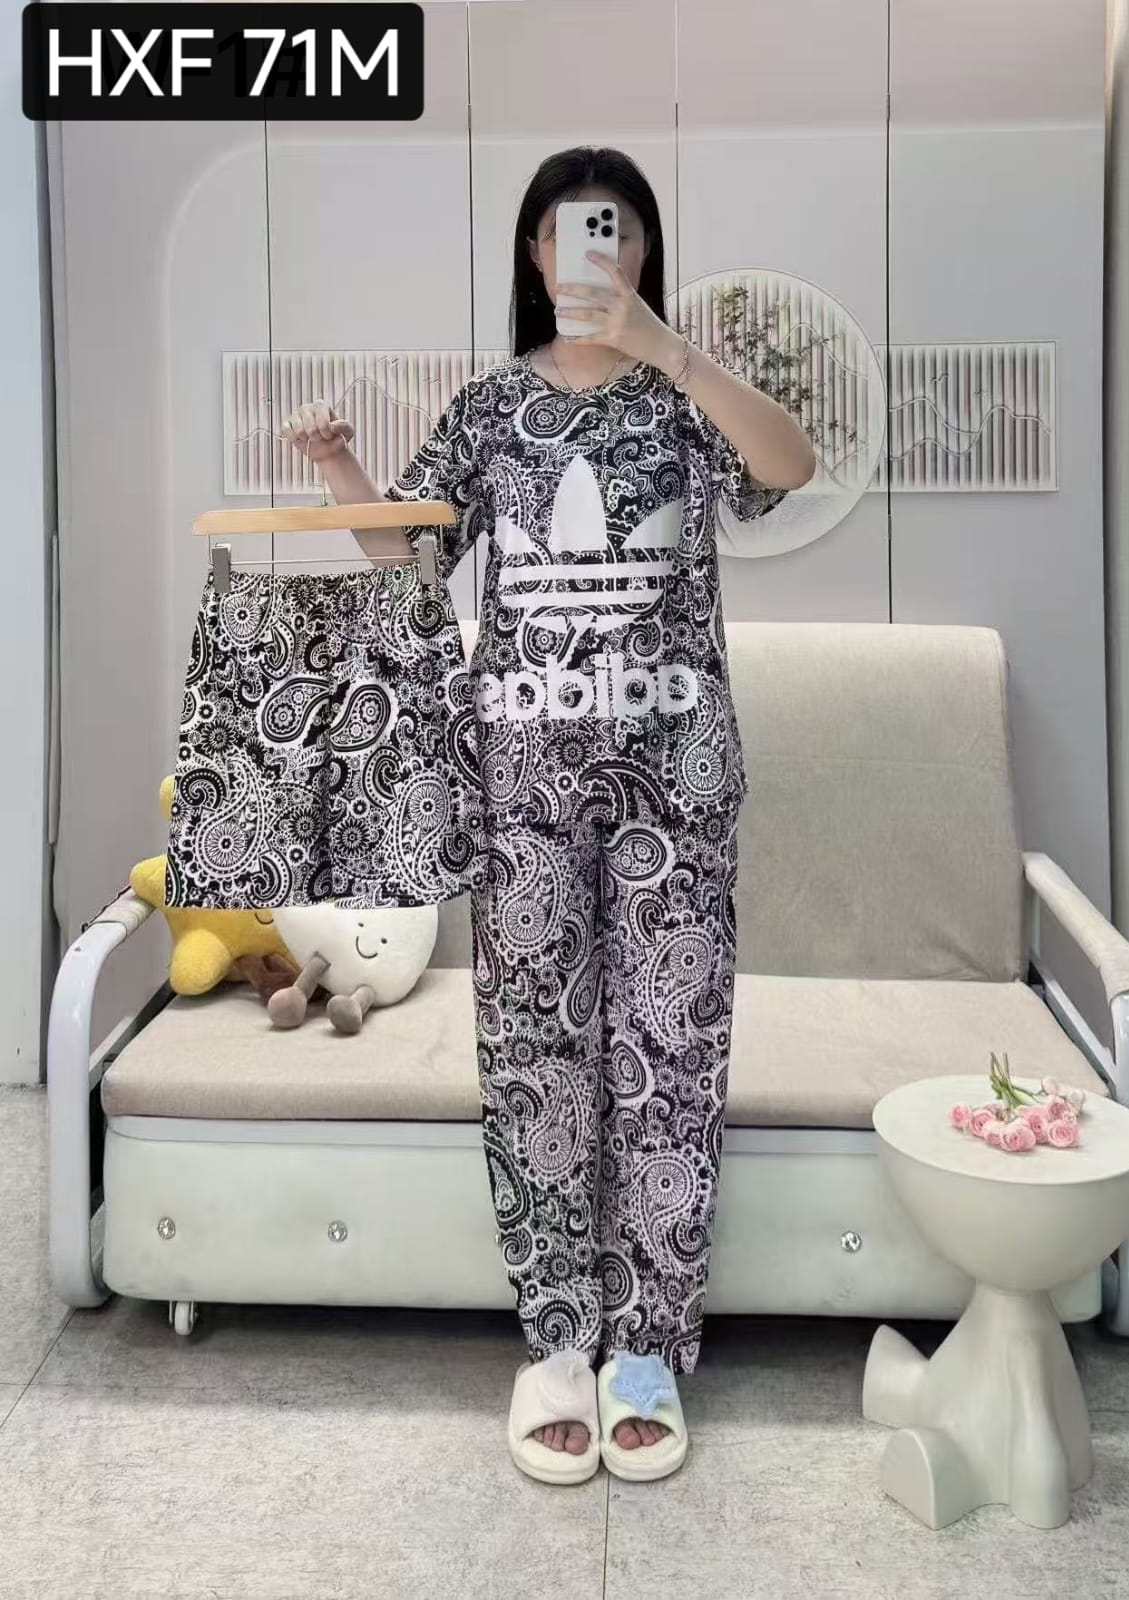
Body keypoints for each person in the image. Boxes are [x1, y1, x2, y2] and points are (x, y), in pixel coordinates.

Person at [281, 145, 816, 1484]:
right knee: (536, 1056)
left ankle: (649, 1347)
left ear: (642, 250)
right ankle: (561, 1343)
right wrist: (345, 470)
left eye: (618, 227)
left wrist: (668, 349)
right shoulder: (487, 409)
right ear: (534, 252)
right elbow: (411, 555)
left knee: (670, 1058)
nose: (596, 247)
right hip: (521, 783)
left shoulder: (685, 396)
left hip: (677, 781)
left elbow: (791, 464)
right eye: (575, 228)